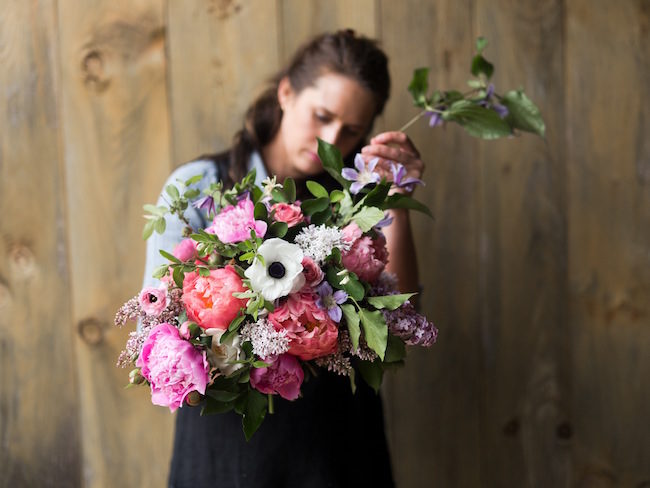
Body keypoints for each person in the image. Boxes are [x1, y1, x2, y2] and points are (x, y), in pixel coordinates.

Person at [142, 29, 425, 488]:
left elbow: (403, 323)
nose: (332, 139)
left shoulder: (359, 201)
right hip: (225, 450)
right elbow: (152, 332)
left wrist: (396, 197)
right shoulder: (199, 186)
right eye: (322, 116)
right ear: (287, 93)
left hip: (337, 447)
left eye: (353, 129)